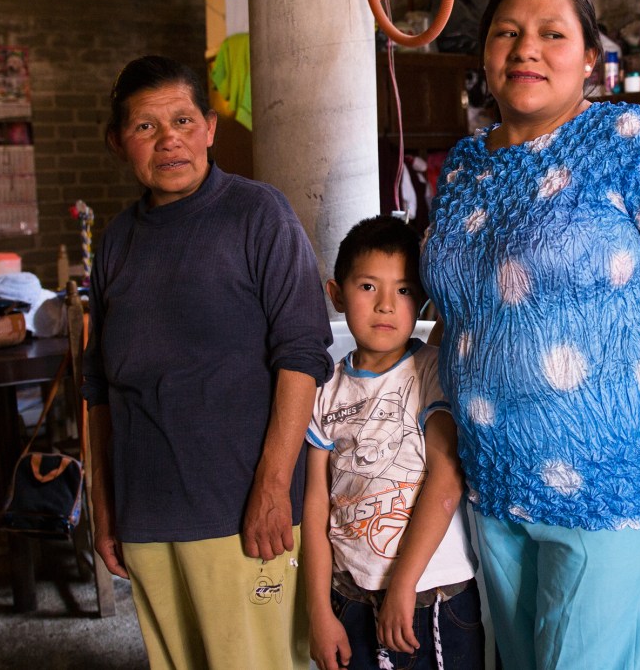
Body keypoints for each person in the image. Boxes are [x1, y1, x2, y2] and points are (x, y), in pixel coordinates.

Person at [420, 0, 640, 669]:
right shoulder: (466, 165)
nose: (525, 49)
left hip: (612, 484)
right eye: (507, 33)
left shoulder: (631, 139)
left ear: (591, 60)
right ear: (484, 57)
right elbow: (460, 310)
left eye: (551, 34)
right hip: (495, 483)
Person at [82, 55, 333, 670]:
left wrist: (275, 489)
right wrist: (105, 507)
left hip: (241, 512)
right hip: (147, 512)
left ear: (211, 128)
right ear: (120, 143)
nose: (169, 140)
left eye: (183, 120)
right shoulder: (117, 241)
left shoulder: (258, 214)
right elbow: (98, 390)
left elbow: (302, 354)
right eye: (146, 127)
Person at [302, 215, 484, 670]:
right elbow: (314, 504)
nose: (386, 305)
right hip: (351, 598)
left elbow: (447, 481)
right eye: (368, 287)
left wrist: (403, 582)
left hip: (431, 598)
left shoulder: (431, 371)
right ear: (336, 294)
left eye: (403, 290)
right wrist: (319, 611)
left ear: (421, 302)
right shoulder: (325, 388)